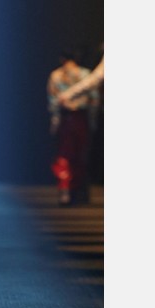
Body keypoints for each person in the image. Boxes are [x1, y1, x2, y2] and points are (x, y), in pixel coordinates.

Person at [47, 50, 99, 205]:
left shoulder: (56, 75)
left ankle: (66, 190)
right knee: (78, 154)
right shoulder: (84, 74)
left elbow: (53, 101)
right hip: (80, 118)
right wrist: (92, 121)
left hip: (67, 118)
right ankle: (75, 191)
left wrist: (55, 121)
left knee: (65, 155)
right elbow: (94, 100)